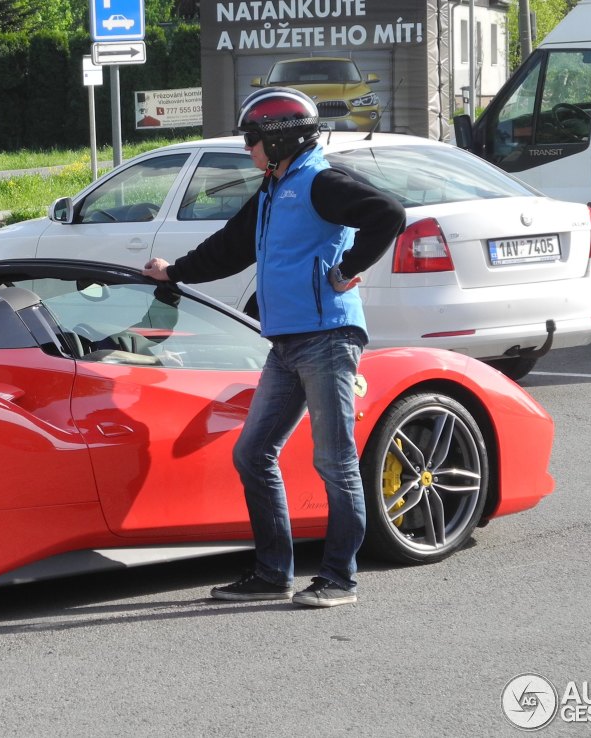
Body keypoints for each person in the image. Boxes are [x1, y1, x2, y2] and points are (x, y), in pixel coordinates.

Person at [142, 87, 406, 608]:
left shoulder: (320, 182)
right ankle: (272, 573)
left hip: (328, 339)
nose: (247, 147)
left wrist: (349, 270)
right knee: (253, 453)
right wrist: (174, 272)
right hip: (285, 343)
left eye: (252, 137)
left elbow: (388, 214)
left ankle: (339, 579)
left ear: (280, 138)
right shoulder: (272, 188)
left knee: (335, 462)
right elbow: (230, 248)